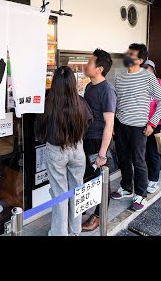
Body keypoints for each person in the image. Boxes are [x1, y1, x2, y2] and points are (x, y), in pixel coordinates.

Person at [35, 66, 92, 236]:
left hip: (56, 150)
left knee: (60, 193)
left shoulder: (48, 103)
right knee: (77, 189)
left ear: (54, 84)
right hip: (77, 148)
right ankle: (75, 230)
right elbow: (89, 122)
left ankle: (59, 233)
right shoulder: (80, 102)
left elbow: (39, 133)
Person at [110, 43, 161, 211]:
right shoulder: (120, 77)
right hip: (121, 124)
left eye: (131, 54)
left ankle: (141, 195)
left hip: (139, 127)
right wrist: (114, 123)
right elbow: (117, 102)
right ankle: (127, 188)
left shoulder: (148, 78)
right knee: (123, 158)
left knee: (139, 160)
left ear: (140, 60)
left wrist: (152, 123)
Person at [80, 49, 117, 232]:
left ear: (99, 69)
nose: (86, 65)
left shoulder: (107, 90)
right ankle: (91, 207)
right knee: (90, 178)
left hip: (98, 141)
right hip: (87, 139)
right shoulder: (89, 86)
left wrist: (102, 153)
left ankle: (98, 216)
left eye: (90, 62)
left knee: (101, 180)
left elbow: (109, 124)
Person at [142, 60, 161, 194]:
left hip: (156, 123)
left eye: (148, 69)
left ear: (153, 70)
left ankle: (153, 180)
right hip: (141, 123)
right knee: (142, 153)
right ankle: (144, 177)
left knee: (153, 152)